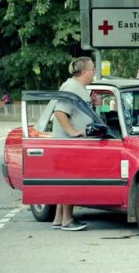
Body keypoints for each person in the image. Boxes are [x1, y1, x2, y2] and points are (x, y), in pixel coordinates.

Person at [51, 56, 97, 231]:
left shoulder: (79, 88)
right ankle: (68, 220)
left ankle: (59, 218)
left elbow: (80, 112)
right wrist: (71, 132)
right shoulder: (71, 87)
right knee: (71, 179)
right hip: (68, 143)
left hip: (71, 143)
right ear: (84, 71)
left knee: (65, 179)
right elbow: (60, 112)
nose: (94, 72)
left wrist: (93, 103)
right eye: (92, 68)